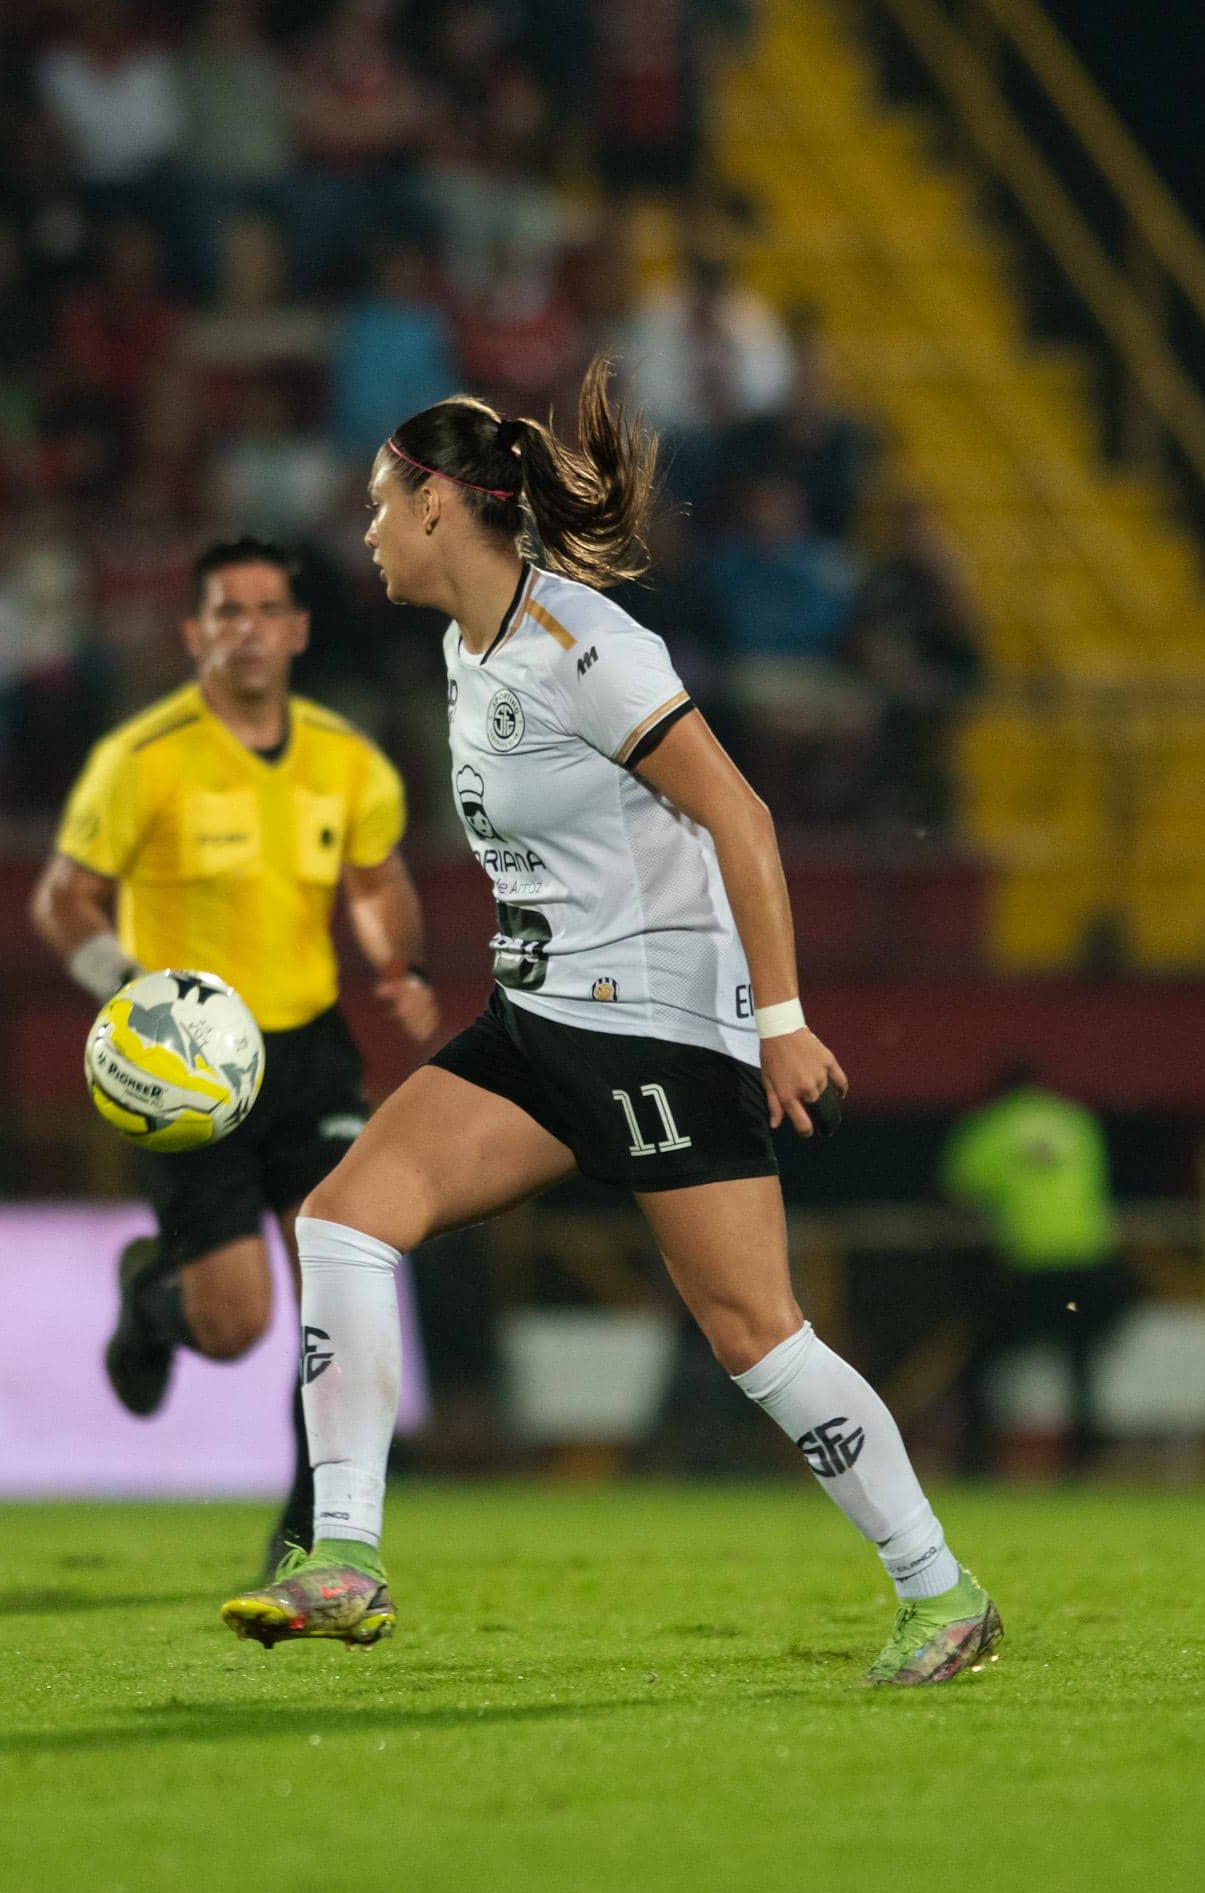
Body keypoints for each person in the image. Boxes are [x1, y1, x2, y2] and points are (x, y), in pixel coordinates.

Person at [219, 361, 1003, 1685]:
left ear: (438, 512)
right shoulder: (463, 649)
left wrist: (782, 1021)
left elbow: (739, 818)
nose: (364, 532)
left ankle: (942, 1591)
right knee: (347, 1217)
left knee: (755, 1333)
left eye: (378, 503)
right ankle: (344, 1555)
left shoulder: (591, 649)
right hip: (535, 1023)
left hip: (656, 1029)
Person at [30, 537, 438, 1579]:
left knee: (343, 1285)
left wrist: (395, 961)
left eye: (268, 609)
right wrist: (128, 987)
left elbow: (377, 878)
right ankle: (154, 1300)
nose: (247, 628)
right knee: (235, 1322)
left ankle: (309, 1534)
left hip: (307, 1052)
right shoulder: (145, 758)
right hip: (188, 1069)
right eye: (226, 611)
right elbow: (61, 898)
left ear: (298, 631)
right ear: (194, 632)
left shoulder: (345, 758)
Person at [940, 1064, 1125, 1476]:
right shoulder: (1077, 1121)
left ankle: (975, 1454)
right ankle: (1086, 1460)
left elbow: (960, 1188)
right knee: (1081, 1363)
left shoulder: (993, 1125)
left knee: (983, 1359)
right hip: (1090, 1263)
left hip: (1033, 1267)